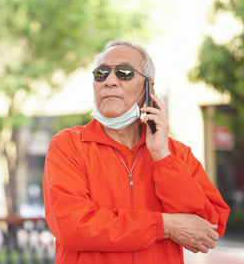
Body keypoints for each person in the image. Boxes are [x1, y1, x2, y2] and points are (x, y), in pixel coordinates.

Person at [42, 41, 230, 264]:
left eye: (124, 73)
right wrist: (164, 226)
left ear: (149, 88)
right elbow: (73, 226)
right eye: (101, 74)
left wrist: (162, 158)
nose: (110, 82)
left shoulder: (175, 154)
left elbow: (209, 227)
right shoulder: (68, 145)